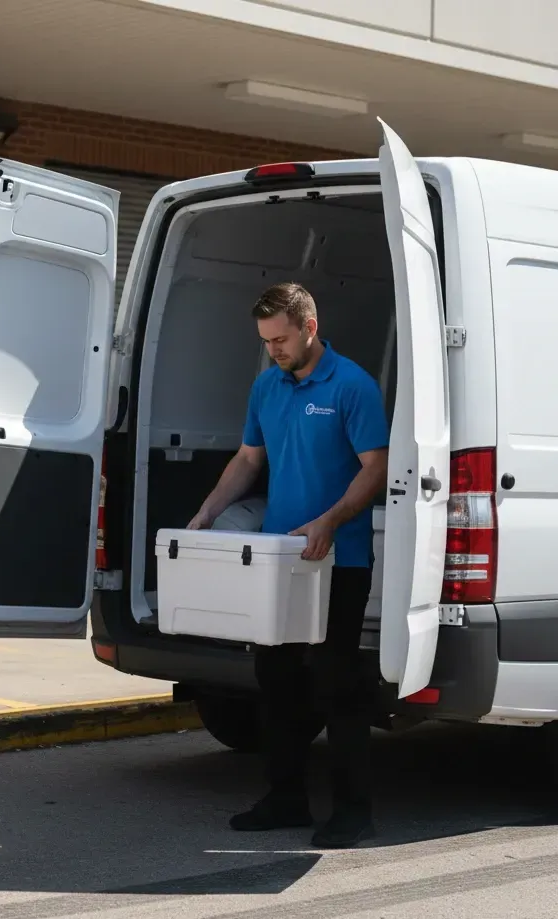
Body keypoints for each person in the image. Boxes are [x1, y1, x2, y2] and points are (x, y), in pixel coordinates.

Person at [187, 281, 389, 849]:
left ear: (310, 328)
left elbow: (375, 467)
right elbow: (249, 459)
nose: (273, 350)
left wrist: (330, 520)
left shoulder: (352, 386)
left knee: (336, 682)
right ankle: (286, 799)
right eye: (265, 341)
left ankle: (354, 811)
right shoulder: (266, 387)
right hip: (277, 559)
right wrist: (206, 514)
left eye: (280, 339)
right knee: (274, 680)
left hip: (338, 560)